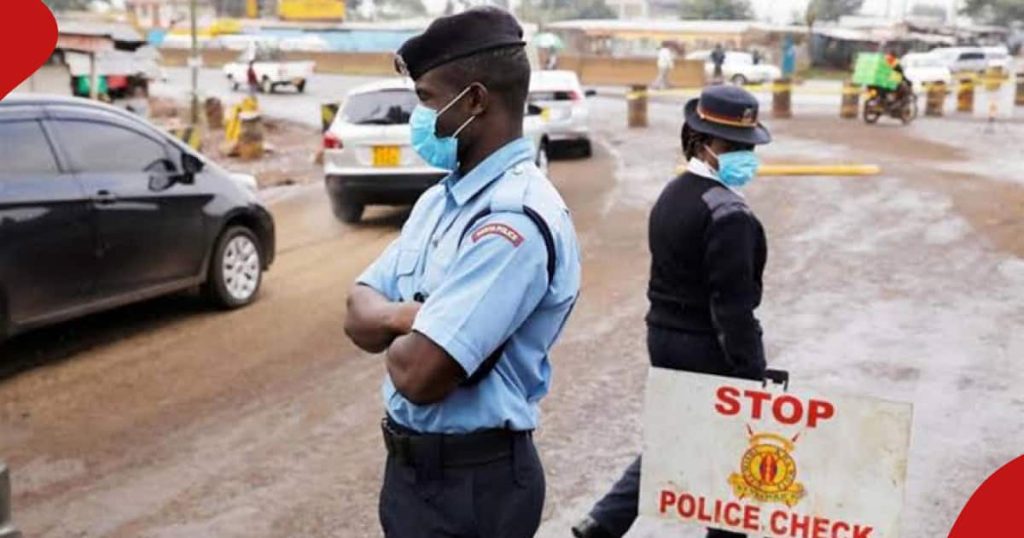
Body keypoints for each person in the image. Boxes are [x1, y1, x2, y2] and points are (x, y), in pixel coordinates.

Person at [343, 6, 582, 538]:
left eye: (427, 99)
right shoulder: (440, 202)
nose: (418, 118)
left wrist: (399, 325)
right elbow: (355, 312)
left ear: (474, 101)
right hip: (412, 474)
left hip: (475, 487)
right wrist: (413, 315)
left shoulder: (512, 221)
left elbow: (419, 375)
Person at [572, 84, 771, 538]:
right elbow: (733, 309)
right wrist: (750, 370)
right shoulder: (729, 214)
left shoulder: (674, 194)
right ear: (703, 142)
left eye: (748, 145)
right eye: (734, 146)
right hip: (708, 348)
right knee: (725, 448)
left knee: (680, 438)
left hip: (663, 337)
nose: (745, 154)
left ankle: (601, 523)